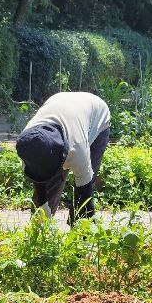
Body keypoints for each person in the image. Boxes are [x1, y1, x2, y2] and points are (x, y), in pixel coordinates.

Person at [14, 90, 111, 221]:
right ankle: (41, 229)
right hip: (60, 104)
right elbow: (38, 176)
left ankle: (78, 230)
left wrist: (89, 220)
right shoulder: (27, 142)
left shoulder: (77, 149)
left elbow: (85, 192)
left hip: (97, 114)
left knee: (82, 199)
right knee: (47, 188)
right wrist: (42, 206)